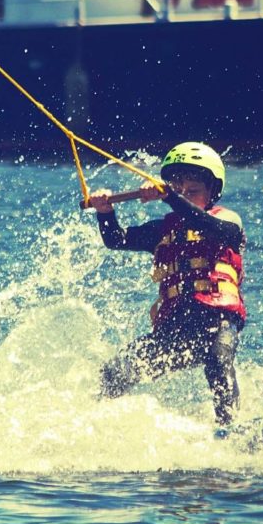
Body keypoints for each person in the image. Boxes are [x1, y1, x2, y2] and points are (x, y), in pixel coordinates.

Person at [89, 142, 246, 426]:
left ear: (212, 192)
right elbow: (116, 240)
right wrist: (104, 212)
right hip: (176, 329)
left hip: (217, 322)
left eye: (193, 191)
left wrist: (171, 197)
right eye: (178, 188)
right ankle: (94, 424)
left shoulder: (226, 220)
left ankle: (232, 430)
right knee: (115, 371)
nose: (185, 195)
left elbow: (211, 229)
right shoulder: (161, 230)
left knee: (217, 362)